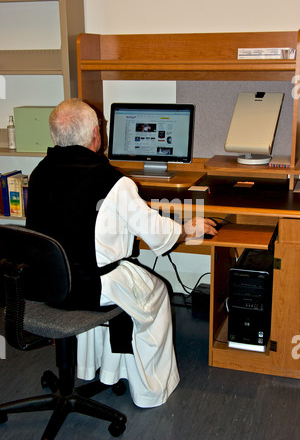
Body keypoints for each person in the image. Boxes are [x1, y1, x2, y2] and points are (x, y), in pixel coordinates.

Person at [26, 98, 217, 408]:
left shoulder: (39, 173)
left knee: (119, 277)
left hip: (48, 285)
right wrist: (187, 228)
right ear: (96, 136)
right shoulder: (114, 182)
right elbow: (155, 233)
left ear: (54, 137)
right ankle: (151, 391)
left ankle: (105, 369)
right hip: (93, 287)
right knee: (155, 295)